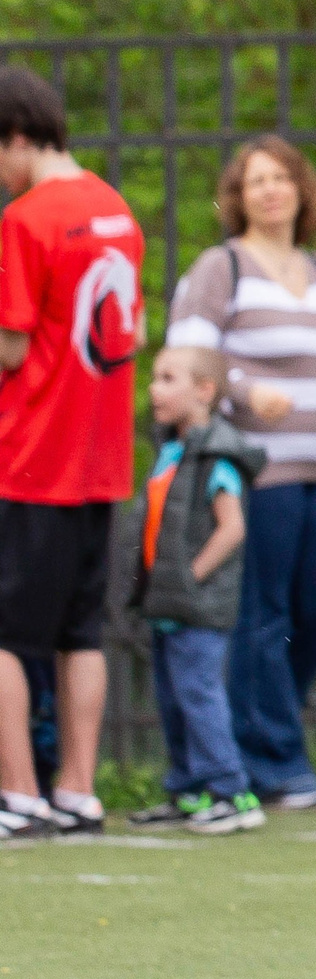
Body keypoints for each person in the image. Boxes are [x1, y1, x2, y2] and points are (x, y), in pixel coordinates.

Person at [161, 135, 316, 812]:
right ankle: (272, 757)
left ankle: (261, 723)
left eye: (281, 178)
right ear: (238, 195)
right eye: (256, 180)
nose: (270, 190)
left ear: (302, 191)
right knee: (265, 614)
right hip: (261, 468)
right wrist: (246, 391)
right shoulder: (222, 267)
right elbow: (187, 354)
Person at [0, 65, 147, 839]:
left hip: (30, 457)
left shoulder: (27, 219)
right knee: (80, 631)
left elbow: (12, 345)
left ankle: (17, 793)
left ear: (18, 137)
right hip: (101, 459)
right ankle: (78, 790)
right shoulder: (117, 211)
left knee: (7, 636)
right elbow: (135, 332)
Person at [128, 347, 267, 832]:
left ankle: (233, 793)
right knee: (172, 697)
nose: (153, 388)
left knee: (199, 693)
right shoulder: (172, 450)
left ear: (205, 391)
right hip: (169, 603)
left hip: (197, 605)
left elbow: (232, 528)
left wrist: (191, 575)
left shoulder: (218, 456)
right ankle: (188, 790)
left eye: (168, 379)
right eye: (154, 377)